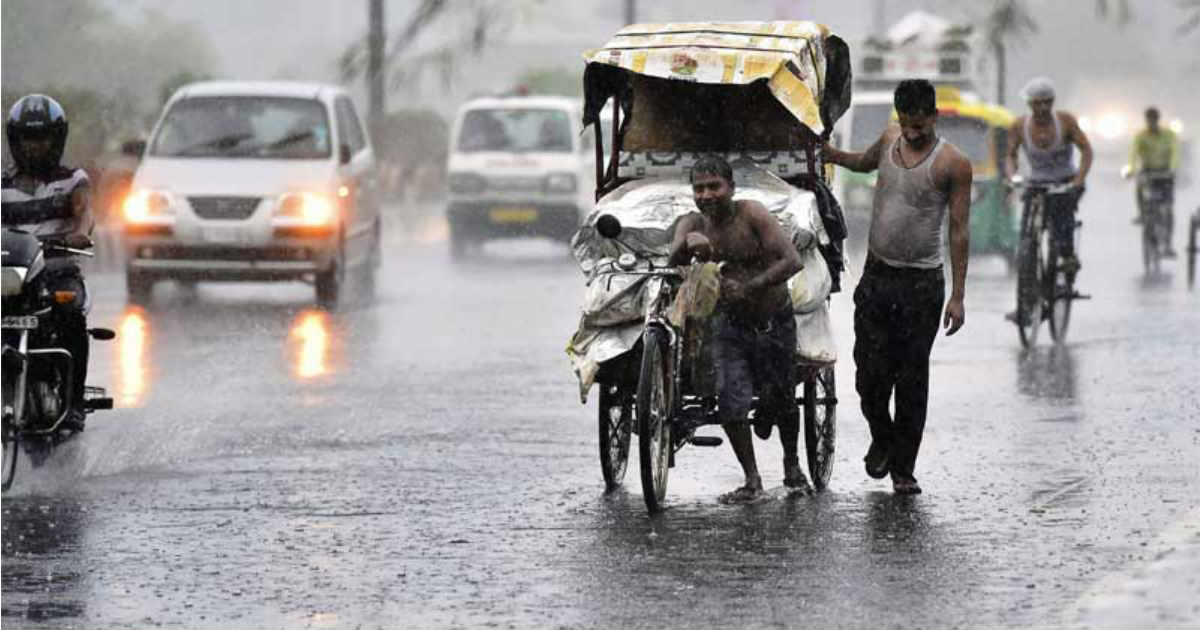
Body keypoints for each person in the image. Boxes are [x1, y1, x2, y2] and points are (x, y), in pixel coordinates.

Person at [820, 79, 973, 495]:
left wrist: (958, 296)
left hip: (922, 283)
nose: (913, 133)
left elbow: (959, 231)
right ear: (898, 118)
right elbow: (864, 163)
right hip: (877, 275)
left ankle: (903, 468)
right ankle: (882, 436)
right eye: (907, 124)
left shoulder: (953, 164)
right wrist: (831, 154)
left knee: (911, 378)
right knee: (869, 375)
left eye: (920, 125)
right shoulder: (889, 138)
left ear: (935, 117)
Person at [668, 155, 807, 503]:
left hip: (774, 322)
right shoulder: (691, 222)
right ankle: (752, 480)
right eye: (699, 188)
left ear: (731, 188)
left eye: (714, 186)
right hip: (728, 326)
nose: (707, 195)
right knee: (731, 403)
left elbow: (792, 260)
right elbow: (672, 261)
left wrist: (751, 286)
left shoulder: (753, 214)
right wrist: (689, 246)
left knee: (783, 401)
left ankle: (792, 465)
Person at [1, 94, 94, 431]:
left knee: (69, 312)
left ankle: (74, 402)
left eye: (42, 138)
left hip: (56, 272)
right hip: (11, 274)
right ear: (15, 140)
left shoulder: (73, 180)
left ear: (57, 139)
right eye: (27, 138)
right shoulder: (2, 183)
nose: (34, 146)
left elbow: (85, 213)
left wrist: (80, 233)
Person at [1006, 76, 1093, 274]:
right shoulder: (1020, 126)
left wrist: (1079, 180)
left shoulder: (1065, 121)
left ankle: (1066, 254)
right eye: (1037, 103)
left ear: (1053, 102)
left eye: (1047, 102)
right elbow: (1010, 156)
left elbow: (1086, 151)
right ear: (1029, 104)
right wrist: (1013, 177)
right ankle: (1028, 260)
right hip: (1036, 183)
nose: (1043, 108)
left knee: (1062, 219)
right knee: (1028, 226)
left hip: (1065, 181)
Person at [1127, 107, 1181, 256]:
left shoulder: (1169, 135)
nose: (1151, 123)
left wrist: (1173, 168)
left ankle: (1168, 244)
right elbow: (1133, 153)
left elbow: (1175, 152)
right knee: (1139, 187)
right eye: (1149, 120)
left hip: (1165, 172)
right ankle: (1142, 213)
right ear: (1146, 121)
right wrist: (1131, 169)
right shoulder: (1141, 136)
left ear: (1157, 120)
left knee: (1168, 209)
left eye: (1153, 120)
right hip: (1148, 171)